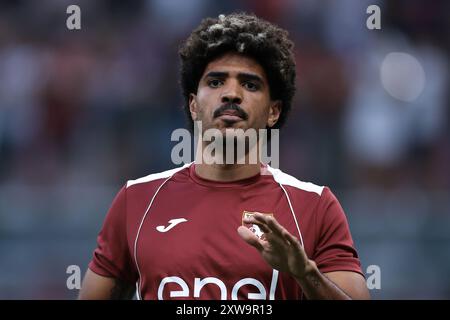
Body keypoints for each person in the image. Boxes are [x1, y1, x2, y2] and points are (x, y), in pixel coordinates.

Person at [79, 12, 370, 300]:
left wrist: (304, 273)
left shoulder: (315, 206)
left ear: (274, 111)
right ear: (193, 105)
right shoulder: (137, 200)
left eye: (250, 84)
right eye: (216, 82)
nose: (231, 93)